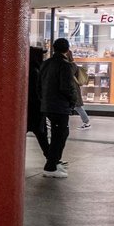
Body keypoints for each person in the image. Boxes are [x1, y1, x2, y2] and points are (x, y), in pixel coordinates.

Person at [38, 38, 79, 178]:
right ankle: (50, 167)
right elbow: (67, 87)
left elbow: (39, 86)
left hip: (47, 105)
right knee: (59, 135)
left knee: (60, 134)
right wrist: (73, 101)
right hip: (59, 106)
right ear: (67, 50)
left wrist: (43, 100)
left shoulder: (45, 64)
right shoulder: (64, 65)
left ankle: (54, 163)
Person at [26, 46, 50, 160]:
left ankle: (51, 159)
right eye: (42, 55)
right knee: (41, 134)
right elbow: (36, 92)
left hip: (30, 109)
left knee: (41, 134)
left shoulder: (28, 69)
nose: (43, 57)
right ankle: (51, 160)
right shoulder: (35, 71)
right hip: (35, 109)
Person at [72, 58, 92, 129]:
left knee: (77, 106)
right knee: (77, 106)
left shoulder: (71, 65)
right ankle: (86, 122)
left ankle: (87, 122)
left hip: (73, 89)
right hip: (74, 88)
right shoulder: (73, 65)